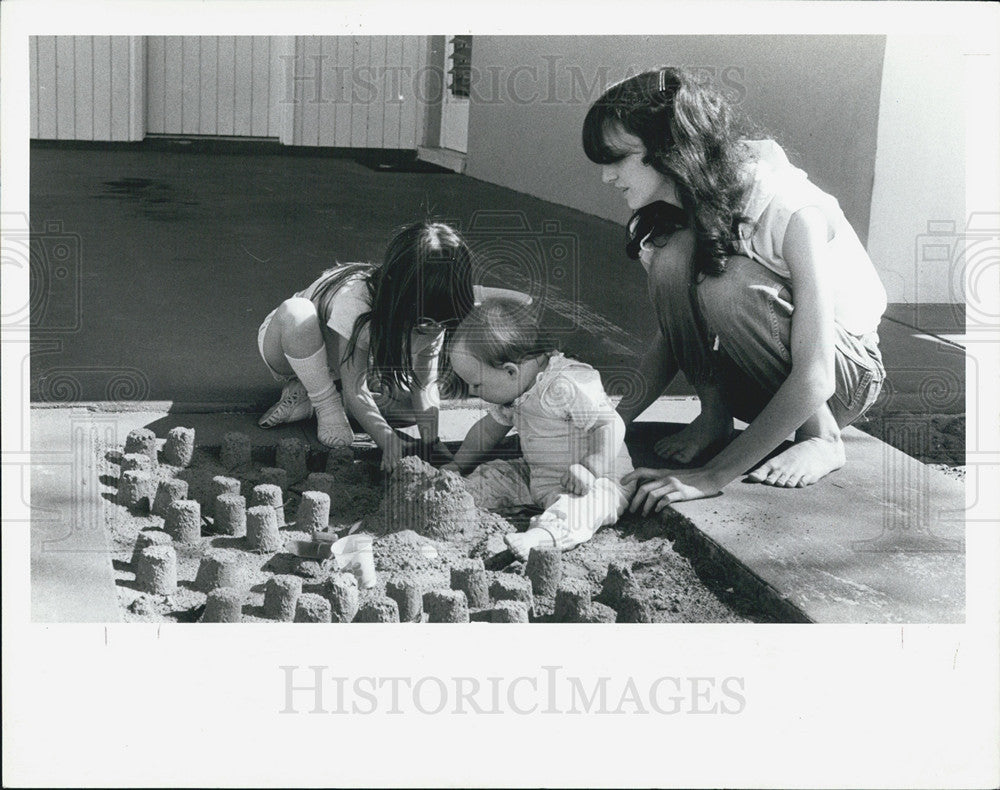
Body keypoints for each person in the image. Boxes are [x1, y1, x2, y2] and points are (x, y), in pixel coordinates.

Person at [582, 67, 887, 512]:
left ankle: (821, 437)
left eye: (618, 159)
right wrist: (613, 423)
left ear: (671, 149)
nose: (607, 176)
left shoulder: (788, 209)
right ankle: (714, 418)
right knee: (673, 260)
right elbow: (675, 334)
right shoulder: (677, 210)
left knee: (727, 284)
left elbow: (816, 374)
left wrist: (712, 476)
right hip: (760, 384)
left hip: (842, 379)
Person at [257, 221, 474, 472]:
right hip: (290, 346)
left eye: (444, 323)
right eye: (424, 323)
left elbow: (424, 384)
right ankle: (326, 402)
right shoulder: (358, 300)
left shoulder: (434, 315)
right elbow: (357, 389)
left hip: (339, 363)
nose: (435, 330)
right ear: (397, 296)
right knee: (297, 313)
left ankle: (309, 394)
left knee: (409, 412)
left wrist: (431, 441)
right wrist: (387, 440)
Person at [442, 299, 635, 561]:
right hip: (538, 475)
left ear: (510, 371)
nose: (471, 391)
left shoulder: (564, 384)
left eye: (476, 384)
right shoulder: (515, 392)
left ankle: (541, 536)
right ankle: (453, 499)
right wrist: (456, 467)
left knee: (581, 510)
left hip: (596, 482)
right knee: (492, 475)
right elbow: (485, 433)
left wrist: (591, 467)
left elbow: (610, 424)